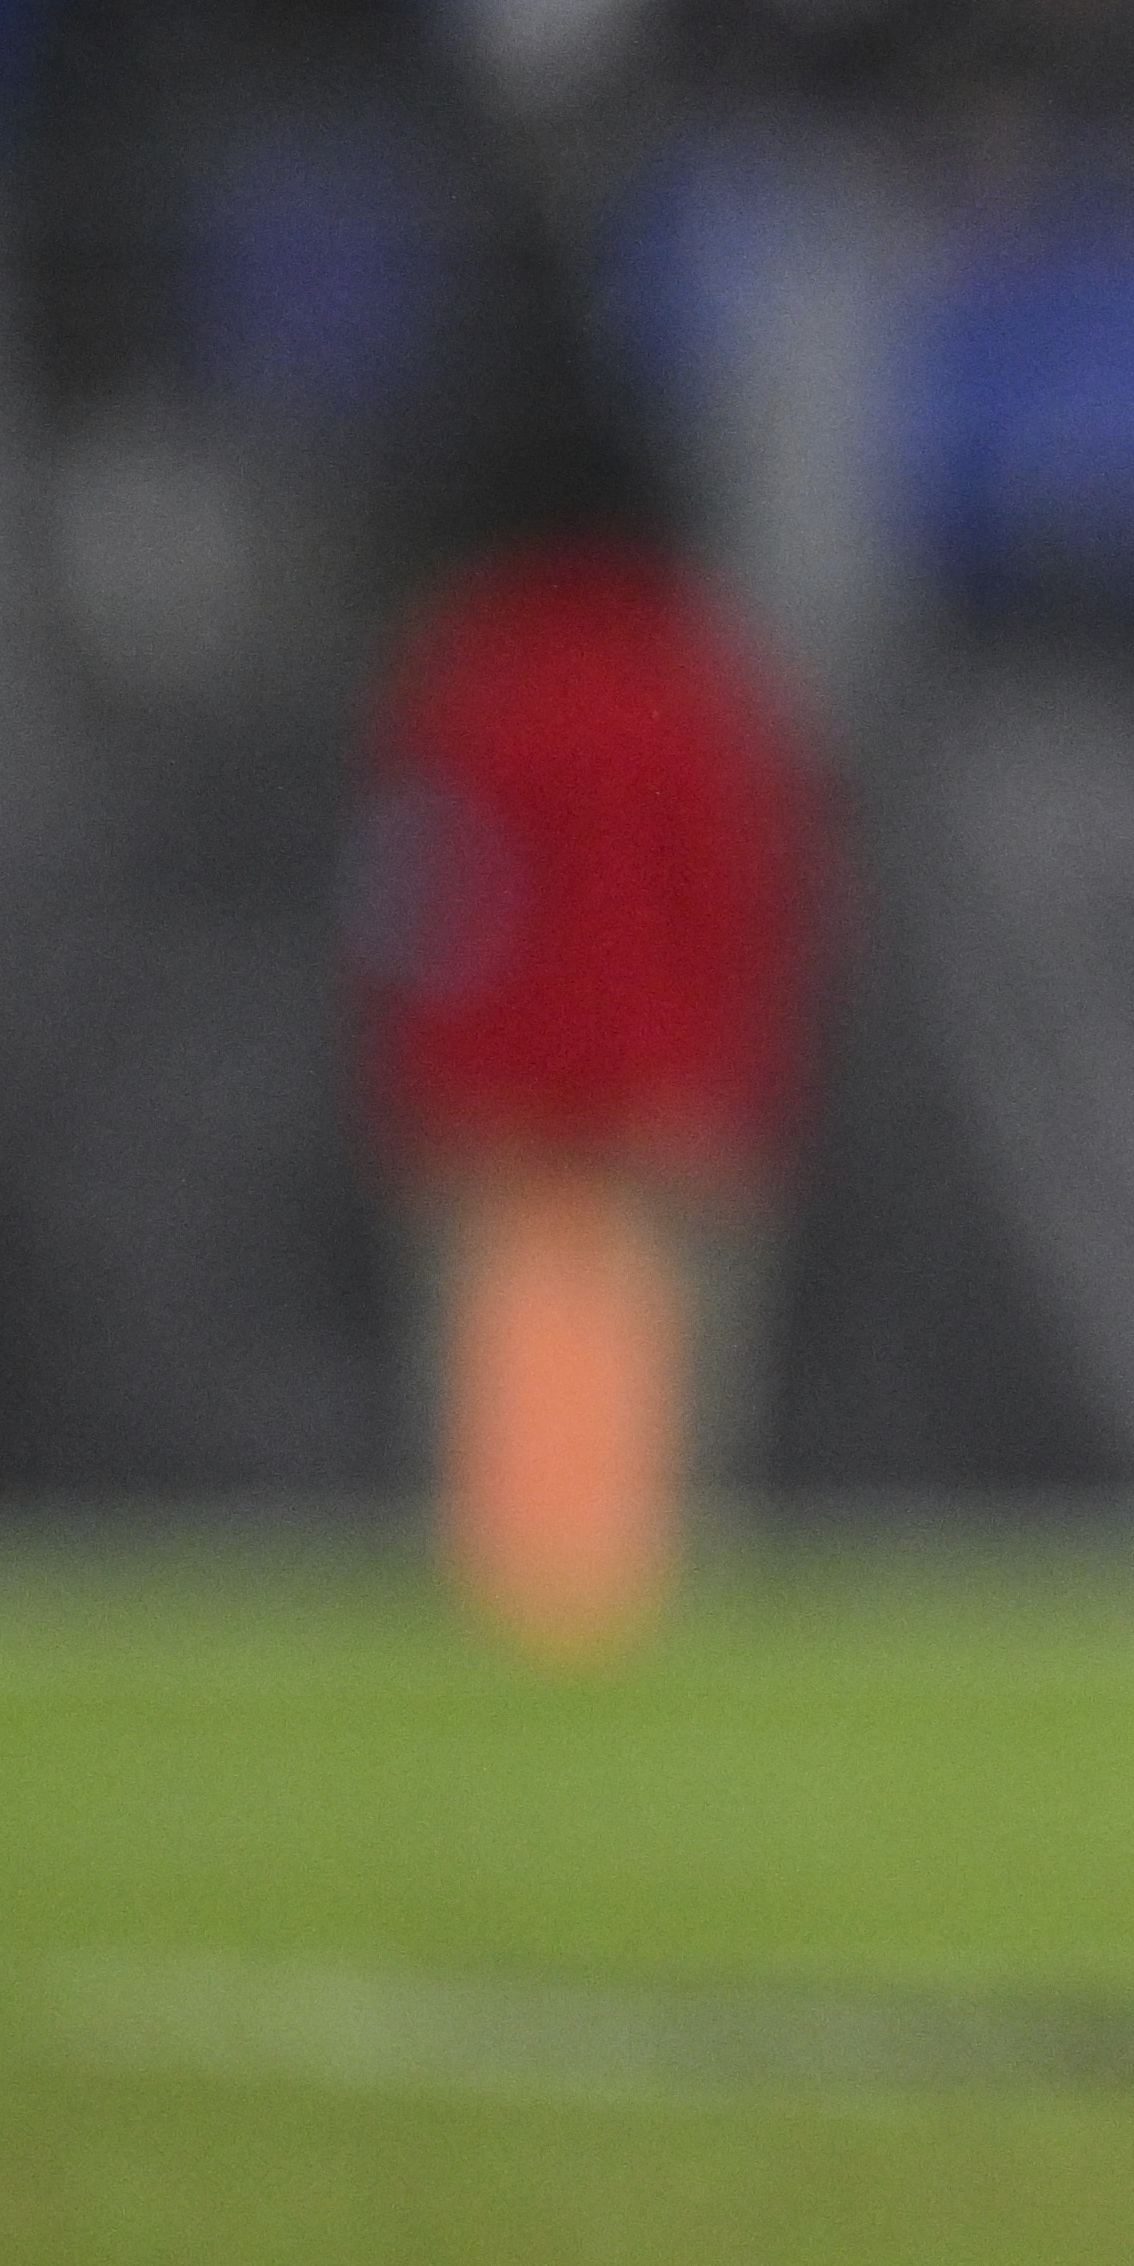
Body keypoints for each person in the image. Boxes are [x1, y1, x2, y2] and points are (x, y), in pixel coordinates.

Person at [353, 337, 817, 1658]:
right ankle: (654, 1634)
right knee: (680, 1428)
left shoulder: (464, 676)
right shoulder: (698, 678)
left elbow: (422, 902)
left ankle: (500, 1628)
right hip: (665, 1082)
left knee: (487, 1406)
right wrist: (738, 1083)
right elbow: (749, 899)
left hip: (495, 1087)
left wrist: (424, 1072)